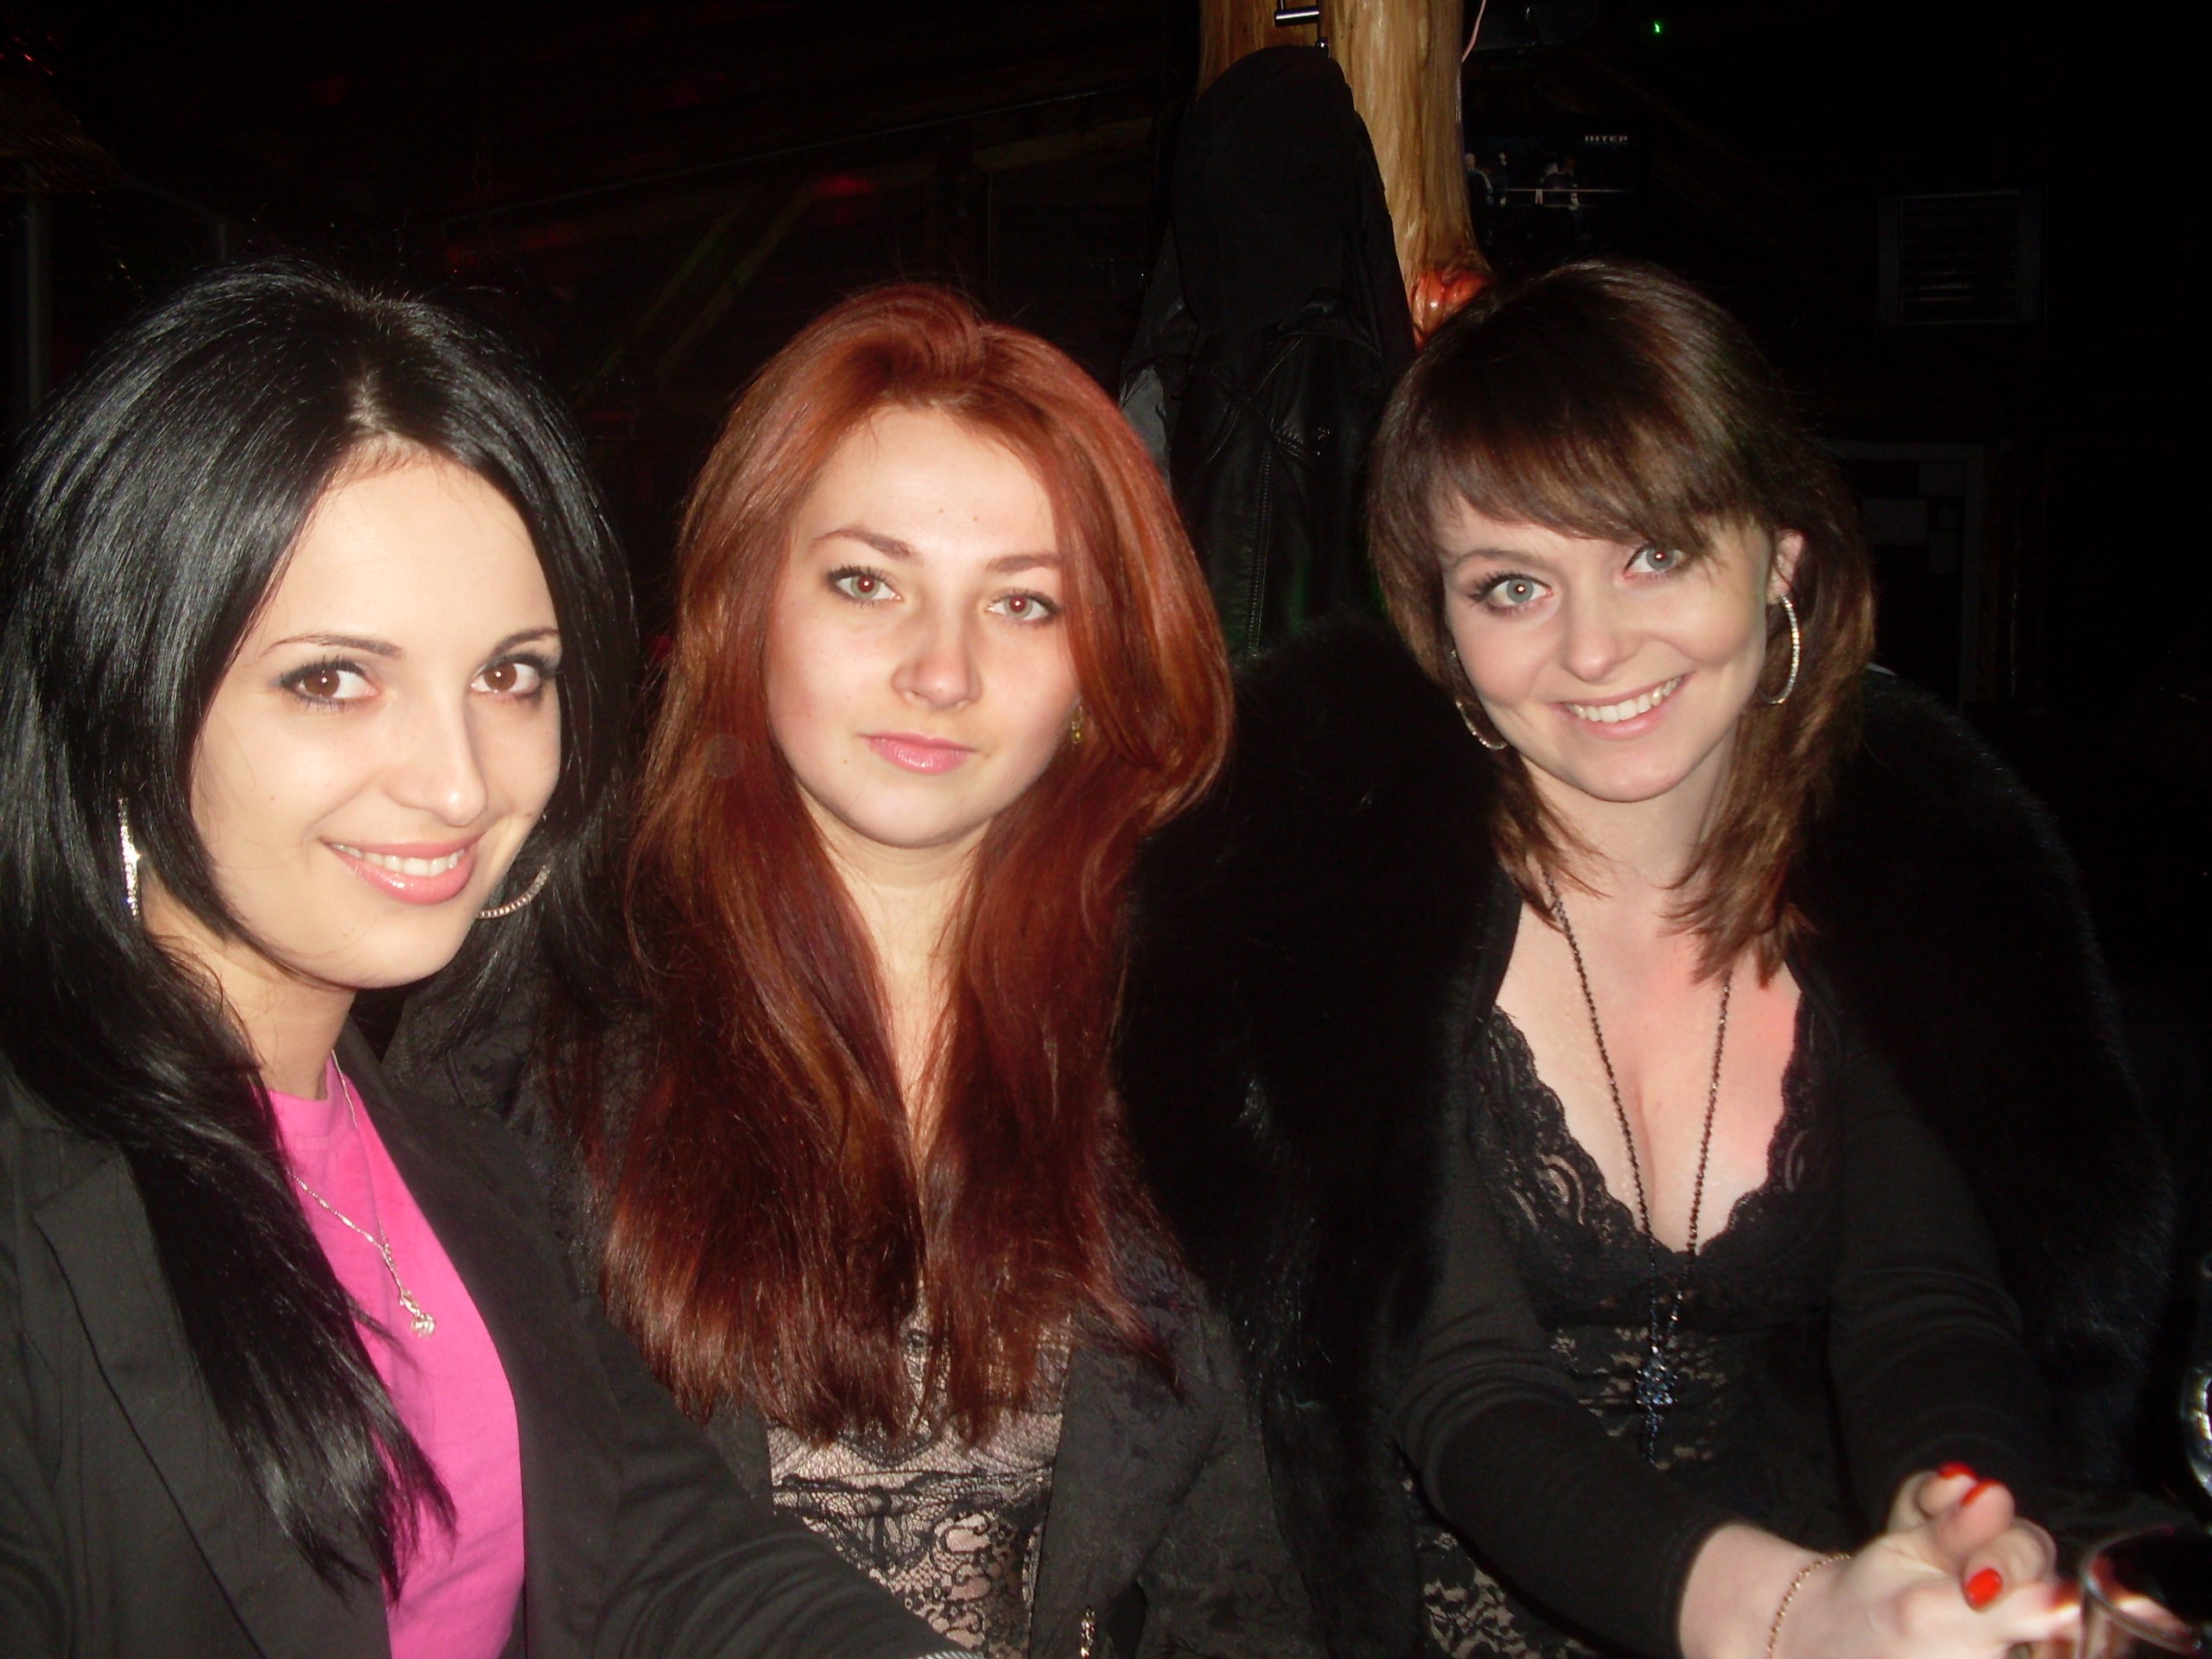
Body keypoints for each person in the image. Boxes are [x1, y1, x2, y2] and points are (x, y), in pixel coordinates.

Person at [1116, 259, 2167, 1659]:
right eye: (1512, 585)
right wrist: (1782, 1614)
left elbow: (1924, 1305)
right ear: (1444, 630)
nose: (1594, 649)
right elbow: (1461, 1378)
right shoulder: (1351, 894)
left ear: (1781, 560)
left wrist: (1959, 1526)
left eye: (1653, 554)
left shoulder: (1903, 869)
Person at [0, 263, 957, 1659]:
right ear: (121, 688)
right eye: (333, 679)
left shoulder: (460, 1166)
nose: (459, 784)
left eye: (511, 675)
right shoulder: (36, 1215)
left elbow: (662, 1557)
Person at [399, 284, 1319, 1659]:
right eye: (867, 582)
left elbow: (1241, 1580)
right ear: (743, 600)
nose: (942, 671)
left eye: (1025, 603)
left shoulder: (1190, 1039)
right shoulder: (531, 1029)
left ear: (1100, 665)